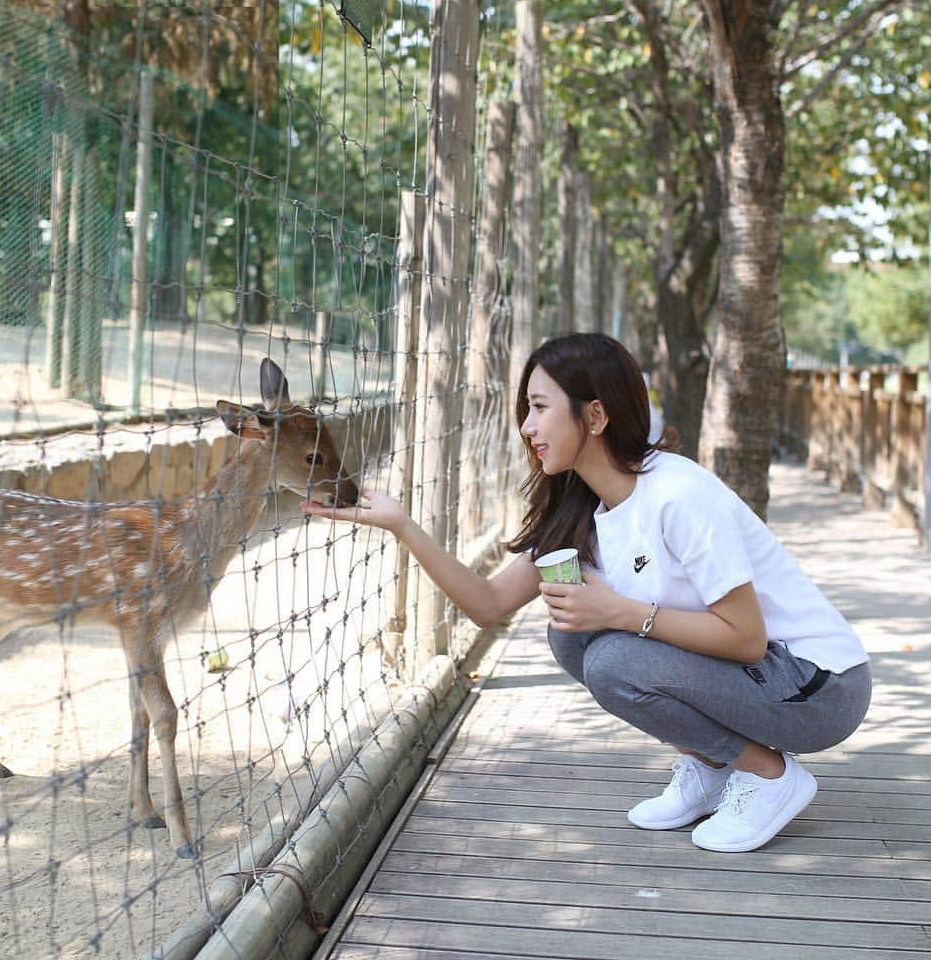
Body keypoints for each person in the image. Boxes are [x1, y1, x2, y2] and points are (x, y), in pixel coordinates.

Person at [301, 333, 871, 853]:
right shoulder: (584, 506)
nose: (526, 426)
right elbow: (488, 604)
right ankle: (712, 766)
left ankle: (768, 774)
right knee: (572, 637)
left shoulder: (677, 495)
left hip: (818, 687)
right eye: (526, 409)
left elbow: (747, 639)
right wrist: (401, 525)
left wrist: (624, 613)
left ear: (594, 415)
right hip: (762, 679)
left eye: (541, 408)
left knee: (613, 655)